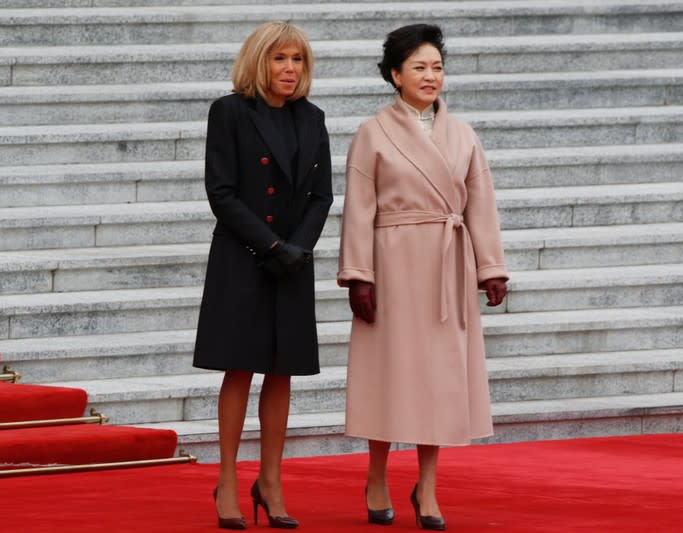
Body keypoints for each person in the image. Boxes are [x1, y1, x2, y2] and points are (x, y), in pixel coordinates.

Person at [337, 23, 508, 530]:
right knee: (386, 372)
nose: (431, 76)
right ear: (395, 75)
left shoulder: (463, 134)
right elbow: (358, 208)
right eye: (419, 68)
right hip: (391, 265)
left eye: (437, 67)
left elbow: (481, 205)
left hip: (445, 268)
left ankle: (428, 487)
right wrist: (358, 275)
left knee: (438, 377)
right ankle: (375, 475)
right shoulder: (373, 132)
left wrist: (490, 266)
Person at [193, 21, 332, 530]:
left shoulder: (313, 118)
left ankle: (270, 481)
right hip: (243, 257)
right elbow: (221, 191)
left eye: (297, 59)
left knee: (282, 372)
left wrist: (298, 249)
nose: (290, 69)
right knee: (240, 368)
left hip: (293, 262)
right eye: (280, 59)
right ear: (259, 61)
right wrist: (271, 244)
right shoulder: (228, 111)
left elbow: (322, 196)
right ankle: (227, 479)